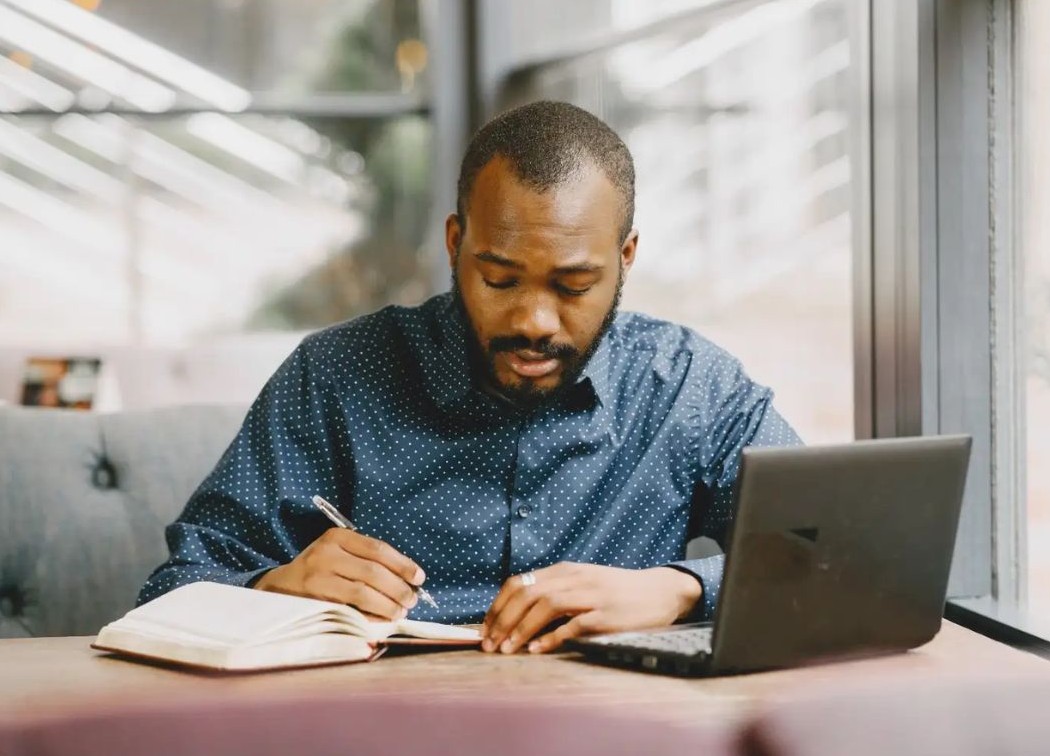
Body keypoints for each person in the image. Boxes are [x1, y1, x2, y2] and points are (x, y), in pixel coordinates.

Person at [139, 100, 800, 655]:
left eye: (573, 285)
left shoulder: (689, 388)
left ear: (625, 257)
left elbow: (831, 551)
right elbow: (172, 590)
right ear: (455, 244)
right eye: (499, 279)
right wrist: (275, 586)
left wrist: (680, 588)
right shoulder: (335, 375)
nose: (534, 321)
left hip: (617, 736)